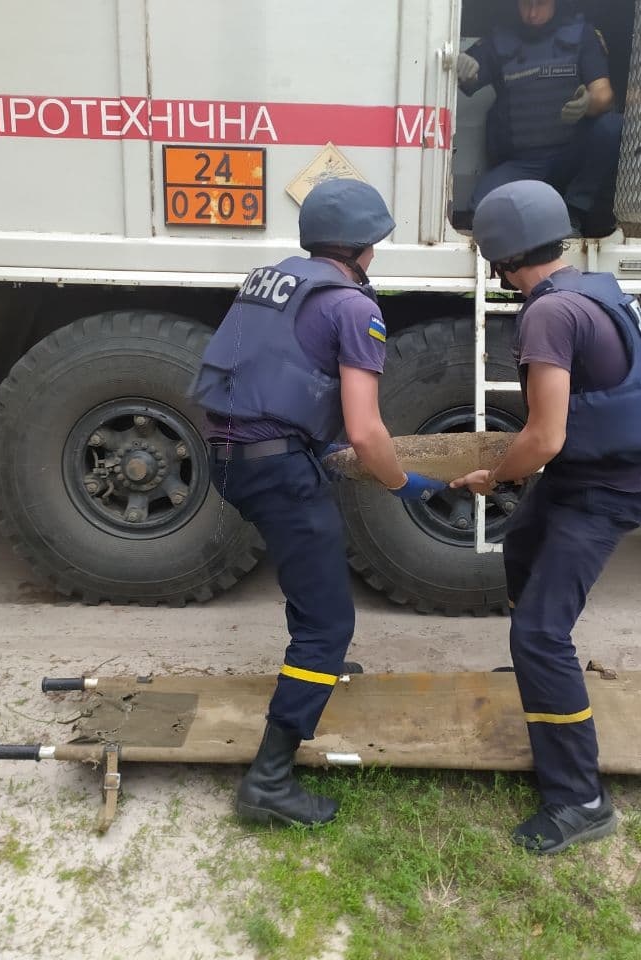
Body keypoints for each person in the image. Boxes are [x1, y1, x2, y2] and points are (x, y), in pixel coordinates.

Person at [190, 178, 448, 828]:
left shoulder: (271, 281)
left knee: (314, 571)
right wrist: (401, 483)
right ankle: (269, 781)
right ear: (367, 246)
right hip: (274, 467)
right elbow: (365, 432)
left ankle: (317, 662)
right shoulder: (352, 308)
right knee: (329, 623)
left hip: (224, 456)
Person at [449, 180, 641, 854]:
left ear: (498, 259)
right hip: (589, 475)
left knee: (540, 636)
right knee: (520, 548)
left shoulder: (547, 316)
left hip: (600, 491)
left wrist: (493, 473)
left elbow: (544, 438)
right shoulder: (597, 287)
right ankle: (543, 684)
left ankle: (580, 800)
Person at [456, 0, 622, 236]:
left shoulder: (581, 34)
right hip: (523, 163)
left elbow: (603, 94)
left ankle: (575, 210)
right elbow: (470, 74)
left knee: (612, 126)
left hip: (570, 156)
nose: (532, 13)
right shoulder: (500, 40)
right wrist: (462, 64)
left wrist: (588, 103)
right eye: (525, 5)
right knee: (481, 211)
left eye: (540, 4)